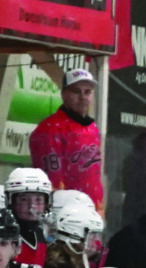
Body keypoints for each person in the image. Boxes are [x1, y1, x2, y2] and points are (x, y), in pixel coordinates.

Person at [29, 68, 104, 212]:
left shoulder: (92, 127)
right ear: (64, 94)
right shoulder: (50, 129)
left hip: (92, 209)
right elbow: (52, 182)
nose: (83, 97)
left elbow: (94, 175)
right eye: (76, 91)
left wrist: (99, 208)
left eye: (87, 92)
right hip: (66, 211)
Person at [5, 167, 53, 267]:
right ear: (11, 202)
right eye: (24, 199)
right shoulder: (1, 238)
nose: (32, 206)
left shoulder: (42, 237)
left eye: (38, 200)